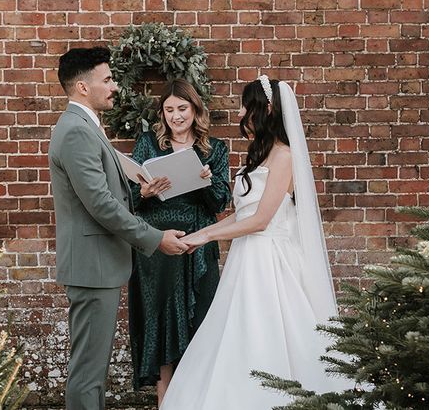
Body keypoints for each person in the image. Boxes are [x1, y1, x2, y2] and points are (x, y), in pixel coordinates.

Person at [160, 75, 349, 409]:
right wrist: (203, 235)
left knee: (271, 332)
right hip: (246, 258)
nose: (243, 114)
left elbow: (261, 221)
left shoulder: (285, 157)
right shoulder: (259, 155)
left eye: (247, 106)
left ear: (267, 109)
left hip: (271, 260)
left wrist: (206, 235)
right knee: (237, 334)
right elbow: (243, 214)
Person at [48, 47, 188, 410]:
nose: (115, 87)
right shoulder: (77, 132)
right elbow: (99, 205)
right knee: (88, 371)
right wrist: (155, 238)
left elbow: (101, 195)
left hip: (99, 265)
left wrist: (138, 191)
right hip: (92, 267)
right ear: (82, 87)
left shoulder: (85, 126)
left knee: (94, 367)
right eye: (107, 79)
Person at [127, 79, 231, 405]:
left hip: (197, 248)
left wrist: (203, 180)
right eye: (169, 109)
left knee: (201, 323)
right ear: (162, 113)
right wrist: (143, 192)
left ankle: (199, 402)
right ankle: (166, 403)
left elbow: (220, 204)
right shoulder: (148, 144)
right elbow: (128, 198)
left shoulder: (215, 149)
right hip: (157, 251)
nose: (176, 116)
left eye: (182, 108)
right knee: (163, 330)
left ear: (195, 109)